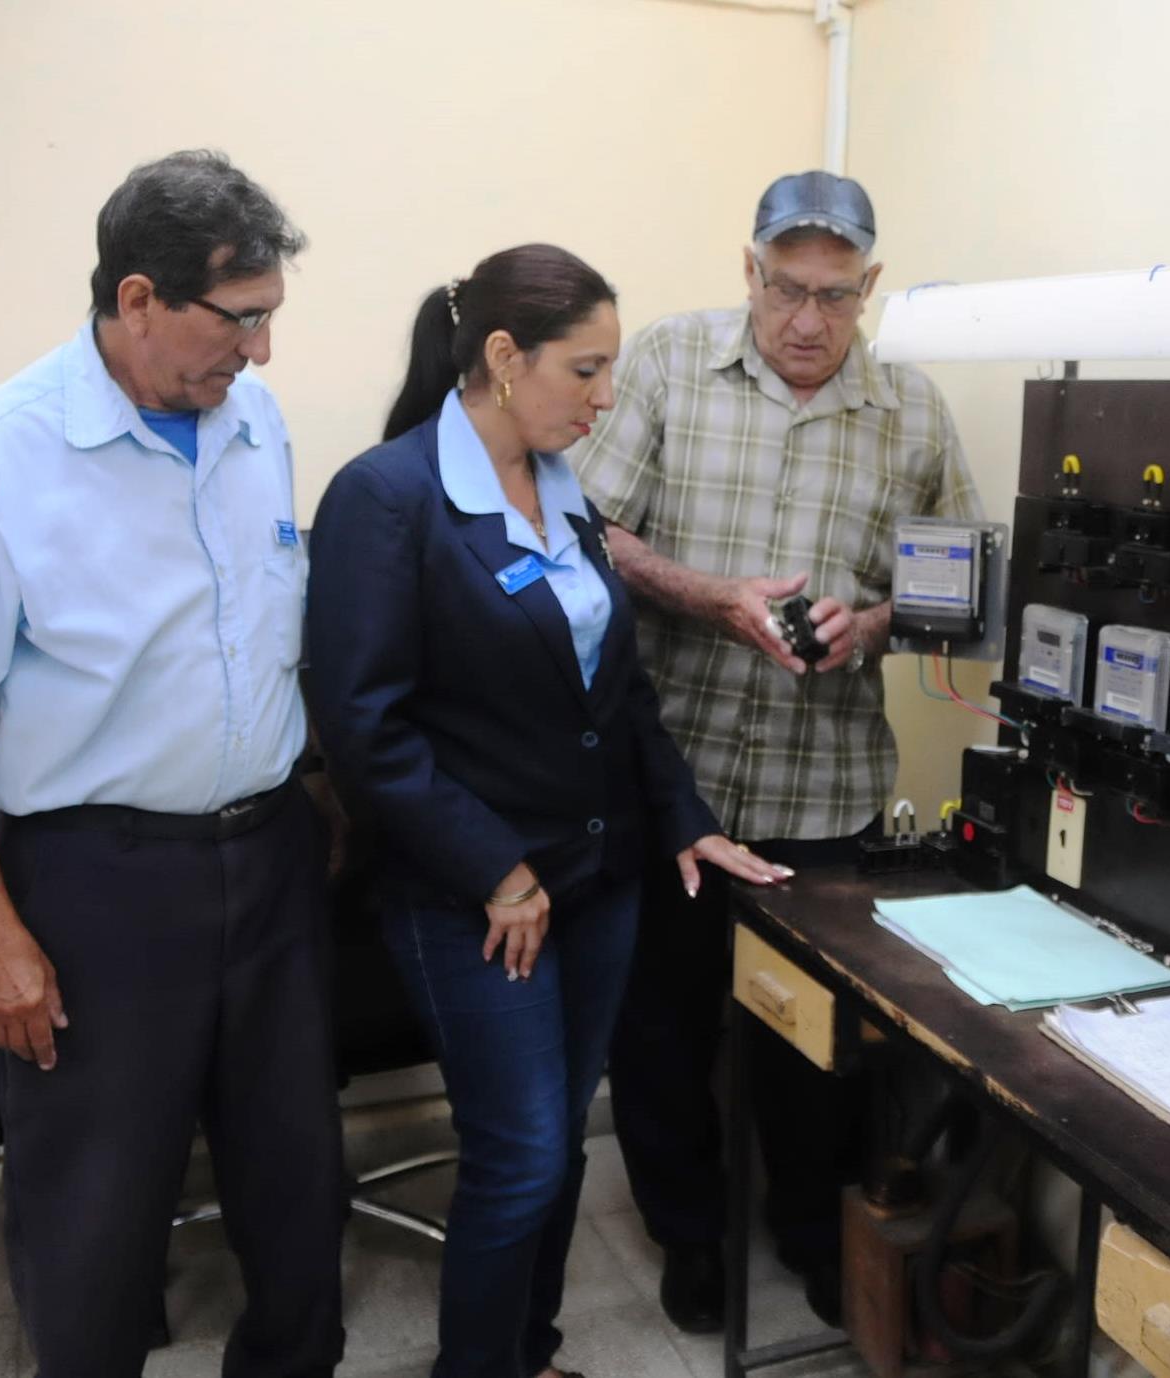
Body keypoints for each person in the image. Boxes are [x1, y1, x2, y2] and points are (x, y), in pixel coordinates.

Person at [0, 151, 343, 1378]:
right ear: (137, 299)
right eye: (239, 320)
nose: (259, 354)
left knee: (300, 1198)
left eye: (269, 320)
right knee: (93, 1229)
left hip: (268, 858)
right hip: (101, 885)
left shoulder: (252, 419)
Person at [305, 243, 785, 1378]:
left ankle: (530, 1354)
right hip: (475, 895)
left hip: (597, 881)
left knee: (560, 1147)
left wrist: (682, 814)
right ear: (504, 357)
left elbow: (614, 695)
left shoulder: (563, 490)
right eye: (587, 369)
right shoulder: (388, 497)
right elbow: (363, 728)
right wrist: (495, 868)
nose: (607, 397)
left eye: (611, 369)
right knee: (519, 1156)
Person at [571, 170, 981, 1329]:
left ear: (872, 290)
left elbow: (961, 591)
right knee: (660, 1029)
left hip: (825, 787)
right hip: (671, 773)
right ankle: (690, 1235)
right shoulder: (662, 362)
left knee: (818, 1048)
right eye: (787, 290)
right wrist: (711, 597)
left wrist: (876, 623)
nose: (808, 322)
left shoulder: (912, 411)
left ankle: (811, 1231)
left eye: (837, 297)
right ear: (748, 272)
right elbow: (583, 530)